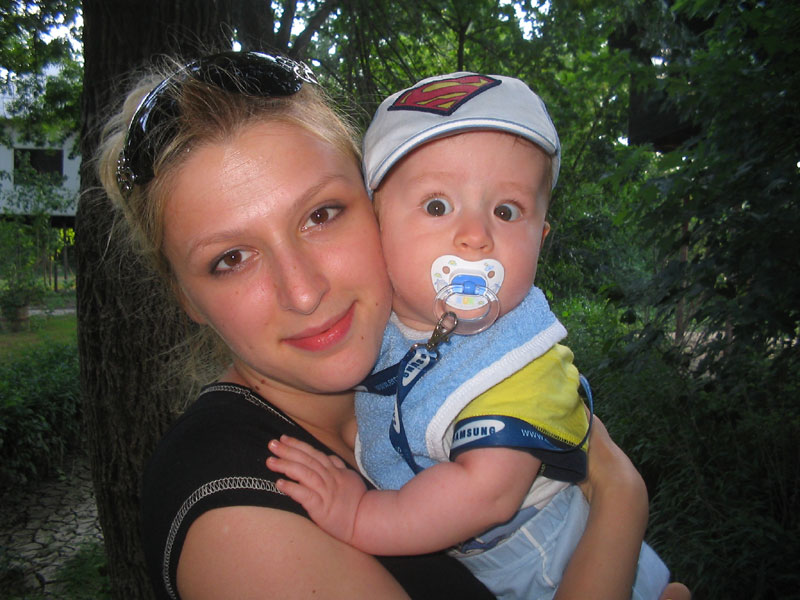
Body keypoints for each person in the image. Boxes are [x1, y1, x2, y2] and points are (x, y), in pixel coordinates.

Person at [97, 51, 677, 600]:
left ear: (375, 209)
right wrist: (622, 496)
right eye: (231, 258)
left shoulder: (448, 365)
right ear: (187, 298)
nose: (303, 291)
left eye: (321, 215)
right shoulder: (234, 518)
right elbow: (594, 479)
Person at [267, 73, 690, 599]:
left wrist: (360, 515)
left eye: (506, 211)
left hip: (552, 555)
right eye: (437, 206)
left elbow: (485, 492)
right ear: (376, 225)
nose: (475, 235)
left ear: (540, 240)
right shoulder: (380, 332)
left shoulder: (521, 363)